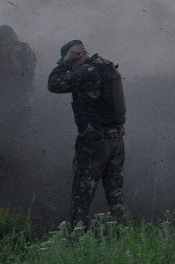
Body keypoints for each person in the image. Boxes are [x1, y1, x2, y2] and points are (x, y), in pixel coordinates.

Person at [47, 40, 127, 226]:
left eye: (72, 60)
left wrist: (65, 62)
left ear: (78, 54)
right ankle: (124, 235)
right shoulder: (107, 67)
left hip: (94, 143)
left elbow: (53, 84)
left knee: (81, 196)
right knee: (116, 197)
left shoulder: (88, 72)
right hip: (116, 140)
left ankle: (75, 240)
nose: (71, 67)